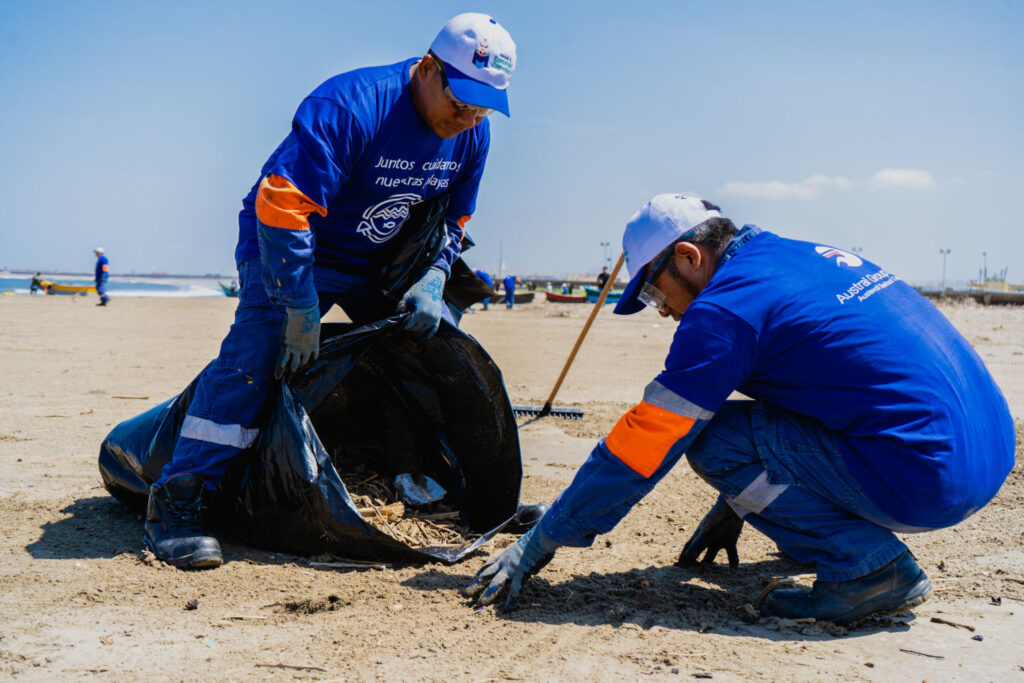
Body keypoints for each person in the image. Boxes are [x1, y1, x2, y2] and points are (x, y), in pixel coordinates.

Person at [467, 193, 1015, 626]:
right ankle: (835, 539)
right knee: (736, 420)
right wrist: (741, 504)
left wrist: (542, 540)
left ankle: (869, 571)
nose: (665, 314)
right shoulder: (793, 254)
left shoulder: (724, 309)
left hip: (929, 477)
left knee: (711, 438)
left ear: (688, 257)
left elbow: (645, 441)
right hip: (987, 453)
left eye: (658, 296)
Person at [143, 12, 518, 569]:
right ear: (426, 68)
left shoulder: (471, 134)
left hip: (380, 261)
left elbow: (454, 218)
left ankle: (467, 495)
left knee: (432, 351)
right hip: (294, 248)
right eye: (459, 102)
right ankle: (177, 500)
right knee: (257, 356)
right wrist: (297, 304)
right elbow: (282, 204)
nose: (466, 118)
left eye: (481, 108)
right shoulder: (353, 104)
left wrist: (435, 275)